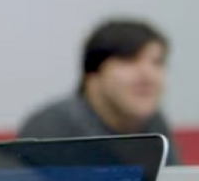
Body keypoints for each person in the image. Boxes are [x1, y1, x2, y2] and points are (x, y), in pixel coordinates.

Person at [19, 19, 180, 164]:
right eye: (129, 61)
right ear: (92, 76)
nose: (148, 75)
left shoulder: (154, 122)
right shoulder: (51, 128)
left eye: (158, 63)